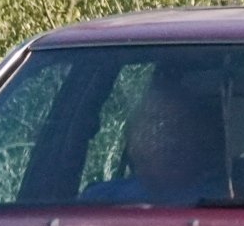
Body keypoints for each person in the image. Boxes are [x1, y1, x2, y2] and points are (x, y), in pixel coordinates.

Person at [80, 82, 227, 205]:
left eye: (180, 126)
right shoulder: (100, 199)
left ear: (199, 139)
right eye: (157, 125)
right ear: (132, 141)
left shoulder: (222, 201)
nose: (170, 140)